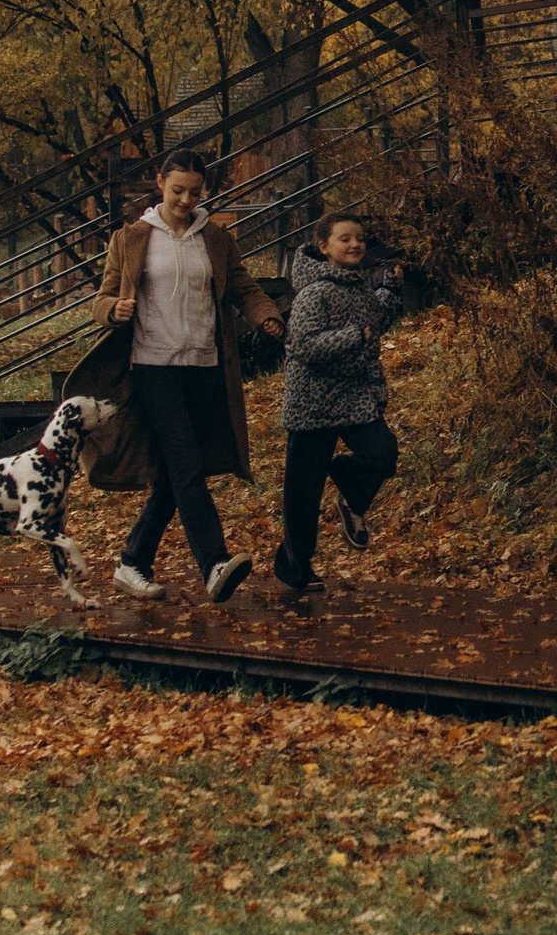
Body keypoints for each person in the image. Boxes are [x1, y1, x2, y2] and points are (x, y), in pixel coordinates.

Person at [80, 149, 285, 603]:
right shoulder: (131, 238)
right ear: (160, 184)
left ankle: (132, 563)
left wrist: (264, 315)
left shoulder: (215, 238)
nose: (186, 200)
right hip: (153, 366)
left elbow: (242, 287)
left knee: (178, 474)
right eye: (178, 191)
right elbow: (101, 299)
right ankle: (213, 563)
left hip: (205, 368)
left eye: (195, 192)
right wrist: (112, 309)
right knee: (187, 464)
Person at [273, 213, 403, 591]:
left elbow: (375, 318)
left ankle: (350, 494)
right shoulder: (314, 292)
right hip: (312, 402)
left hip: (354, 396)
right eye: (344, 239)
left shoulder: (359, 286)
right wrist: (352, 336)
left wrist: (391, 288)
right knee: (303, 489)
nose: (355, 245)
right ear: (323, 247)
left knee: (382, 452)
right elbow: (303, 345)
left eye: (359, 238)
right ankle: (294, 568)